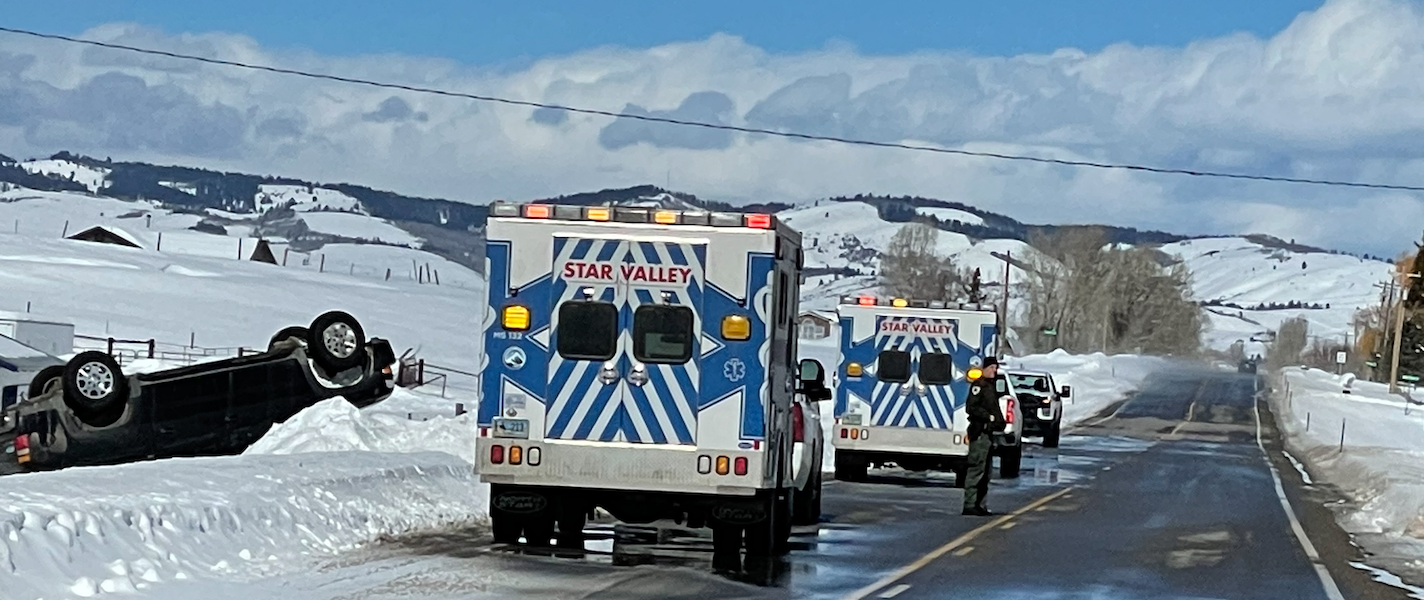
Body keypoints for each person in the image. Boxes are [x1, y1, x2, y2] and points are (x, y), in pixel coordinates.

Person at [963, 357, 1007, 516]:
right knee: (976, 469)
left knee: (986, 473)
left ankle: (980, 504)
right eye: (992, 368)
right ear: (985, 368)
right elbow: (971, 407)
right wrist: (988, 417)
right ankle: (970, 504)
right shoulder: (979, 386)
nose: (994, 371)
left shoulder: (990, 386)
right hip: (980, 433)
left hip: (988, 434)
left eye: (996, 368)